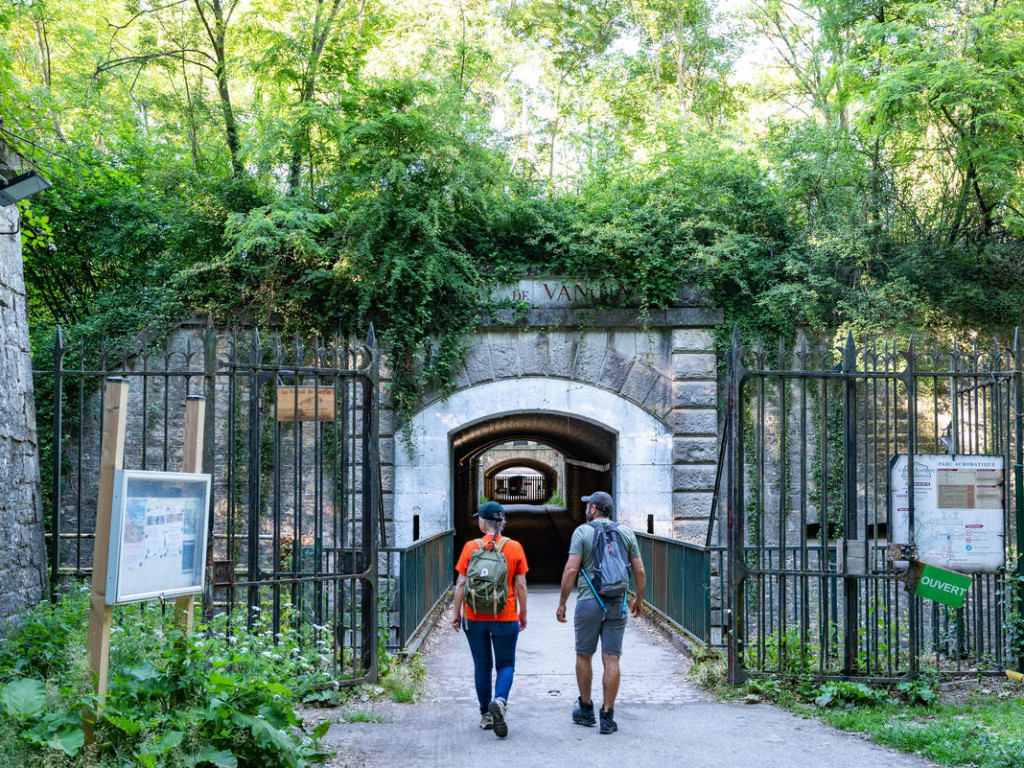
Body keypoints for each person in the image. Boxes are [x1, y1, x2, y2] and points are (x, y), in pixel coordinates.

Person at [555, 491, 645, 735]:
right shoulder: (625, 532)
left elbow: (571, 570)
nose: (586, 509)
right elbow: (639, 571)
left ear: (594, 509)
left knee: (584, 655)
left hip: (589, 601)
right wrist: (638, 599)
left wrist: (562, 602)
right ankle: (607, 715)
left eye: (588, 506)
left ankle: (585, 710)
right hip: (617, 603)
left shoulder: (582, 532)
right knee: (611, 658)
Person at [450, 500, 529, 738]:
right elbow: (521, 584)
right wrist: (522, 613)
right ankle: (501, 701)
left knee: (482, 666)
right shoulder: (514, 547)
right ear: (501, 522)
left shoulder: (470, 547)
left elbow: (461, 583)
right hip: (505, 615)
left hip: (474, 617)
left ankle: (485, 714)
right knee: (505, 665)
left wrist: (456, 613)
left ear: (483, 522)